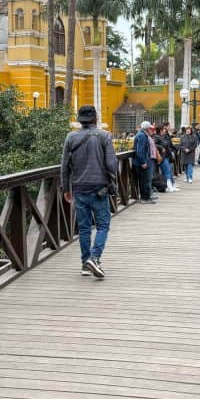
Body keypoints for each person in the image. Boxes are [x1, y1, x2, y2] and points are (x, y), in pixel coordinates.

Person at [61, 105, 118, 279]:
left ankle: (85, 264)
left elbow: (64, 166)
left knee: (84, 228)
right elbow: (111, 164)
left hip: (78, 188)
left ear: (80, 120)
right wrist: (113, 182)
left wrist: (65, 188)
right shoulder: (104, 136)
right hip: (99, 188)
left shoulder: (70, 137)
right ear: (95, 119)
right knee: (103, 225)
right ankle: (94, 257)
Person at [132, 121, 157, 203]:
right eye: (150, 128)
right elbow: (140, 151)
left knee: (145, 180)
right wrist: (143, 162)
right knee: (144, 181)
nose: (151, 129)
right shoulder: (142, 136)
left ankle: (146, 197)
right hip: (142, 162)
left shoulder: (141, 134)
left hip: (143, 161)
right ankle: (145, 198)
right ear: (147, 128)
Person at [154, 125, 179, 192]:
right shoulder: (156, 137)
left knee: (168, 172)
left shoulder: (162, 137)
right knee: (167, 172)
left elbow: (168, 145)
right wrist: (161, 147)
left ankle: (169, 186)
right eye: (164, 129)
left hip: (166, 156)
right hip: (162, 157)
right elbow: (153, 144)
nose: (165, 130)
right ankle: (169, 187)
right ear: (161, 130)